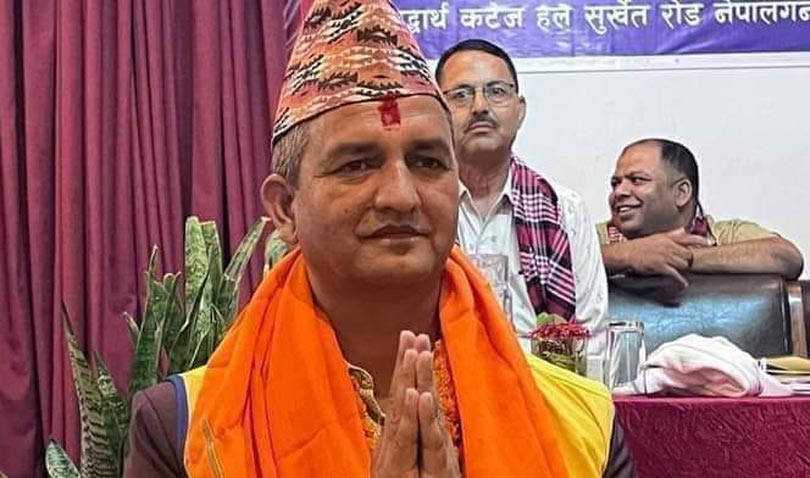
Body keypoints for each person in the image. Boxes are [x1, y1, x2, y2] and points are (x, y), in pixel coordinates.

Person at [123, 2, 635, 477]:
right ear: (285, 208)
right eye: (357, 164)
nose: (401, 196)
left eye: (427, 162)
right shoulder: (187, 428)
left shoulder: (581, 424)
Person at [434, 39, 609, 352]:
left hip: (546, 379)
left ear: (520, 110)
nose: (480, 106)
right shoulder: (420, 207)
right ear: (436, 113)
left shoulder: (565, 209)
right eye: (461, 94)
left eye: (496, 91)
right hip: (441, 377)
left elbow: (591, 338)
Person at [598, 138, 804, 285]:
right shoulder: (593, 239)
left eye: (637, 180)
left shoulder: (726, 235)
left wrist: (681, 257)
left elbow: (787, 258)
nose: (619, 192)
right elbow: (575, 263)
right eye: (615, 183)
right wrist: (628, 255)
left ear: (681, 193)